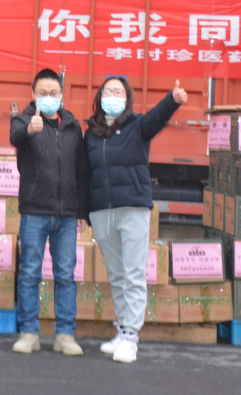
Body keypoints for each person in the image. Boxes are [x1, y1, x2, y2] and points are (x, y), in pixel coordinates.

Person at [84, 76, 187, 364]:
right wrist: (84, 211)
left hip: (132, 209)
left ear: (127, 98)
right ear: (99, 97)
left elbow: (157, 118)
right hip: (101, 211)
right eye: (107, 91)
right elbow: (85, 173)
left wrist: (172, 100)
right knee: (116, 275)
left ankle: (131, 336)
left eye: (118, 92)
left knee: (133, 273)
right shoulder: (91, 133)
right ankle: (122, 329)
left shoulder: (138, 126)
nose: (112, 96)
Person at [9, 68, 88, 356]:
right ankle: (29, 333)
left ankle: (65, 334)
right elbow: (16, 137)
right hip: (34, 211)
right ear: (34, 94)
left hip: (66, 214)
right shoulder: (23, 120)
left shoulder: (72, 126)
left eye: (53, 93)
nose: (48, 97)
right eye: (42, 93)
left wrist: (81, 209)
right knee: (30, 273)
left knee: (65, 275)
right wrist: (30, 129)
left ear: (61, 94)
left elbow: (81, 170)